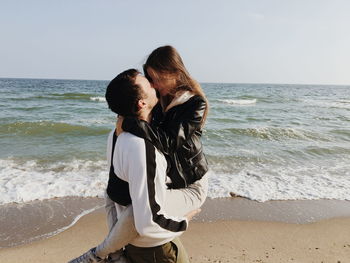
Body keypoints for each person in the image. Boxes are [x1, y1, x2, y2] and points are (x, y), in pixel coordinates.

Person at [69, 45, 209, 262]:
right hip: (169, 188)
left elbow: (170, 142)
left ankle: (99, 254)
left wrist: (129, 122)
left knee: (138, 212)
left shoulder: (193, 104)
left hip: (191, 182)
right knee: (125, 202)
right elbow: (113, 192)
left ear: (173, 73)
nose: (153, 84)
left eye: (155, 78)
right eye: (149, 80)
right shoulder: (149, 113)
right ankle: (107, 253)